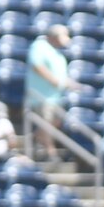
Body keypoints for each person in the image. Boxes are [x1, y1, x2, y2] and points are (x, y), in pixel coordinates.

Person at [24, 24, 75, 154]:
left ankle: (35, 138)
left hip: (55, 97)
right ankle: (50, 152)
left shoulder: (57, 53)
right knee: (45, 123)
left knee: (56, 121)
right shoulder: (39, 46)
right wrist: (53, 80)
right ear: (53, 37)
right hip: (41, 96)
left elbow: (60, 75)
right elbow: (37, 66)